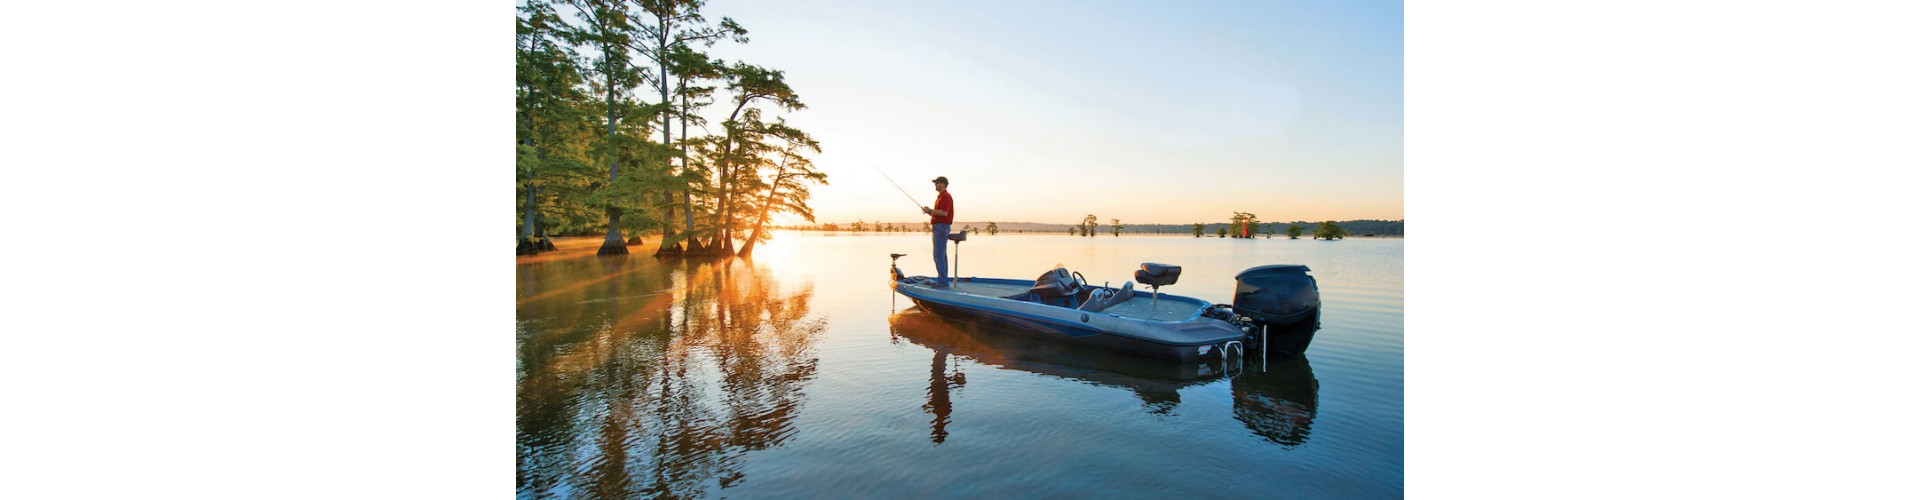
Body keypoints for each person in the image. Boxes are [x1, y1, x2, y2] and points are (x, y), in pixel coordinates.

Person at [921, 176, 954, 287]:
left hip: (941, 227)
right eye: (935, 183)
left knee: (938, 255)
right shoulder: (940, 197)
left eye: (937, 183)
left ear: (943, 184)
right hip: (939, 226)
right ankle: (942, 279)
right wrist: (929, 212)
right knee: (941, 255)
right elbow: (939, 213)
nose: (935, 185)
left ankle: (943, 282)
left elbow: (944, 213)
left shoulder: (946, 196)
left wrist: (930, 210)